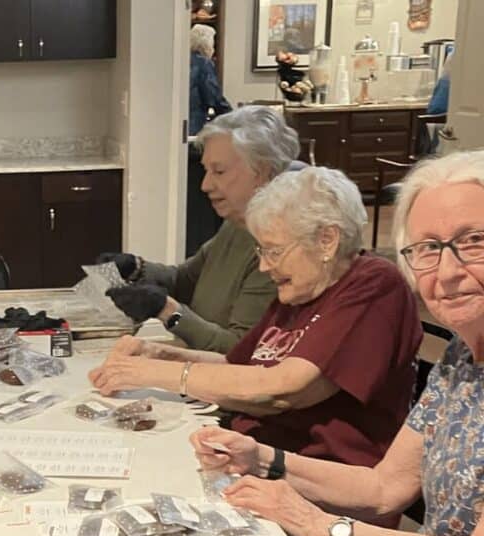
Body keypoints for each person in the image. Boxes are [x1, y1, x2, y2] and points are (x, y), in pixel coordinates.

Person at [190, 149, 484, 536]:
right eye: (427, 249)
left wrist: (325, 527)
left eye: (473, 242)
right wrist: (263, 458)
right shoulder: (465, 360)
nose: (448, 270)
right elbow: (384, 487)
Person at [90, 167, 423, 473]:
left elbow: (280, 391)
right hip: (251, 460)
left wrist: (154, 373)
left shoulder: (374, 285)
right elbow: (240, 368)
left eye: (273, 251)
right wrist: (161, 355)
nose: (264, 267)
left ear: (327, 240)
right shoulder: (302, 290)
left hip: (314, 486)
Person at [97, 105, 299, 352]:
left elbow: (239, 351)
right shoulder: (237, 225)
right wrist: (135, 268)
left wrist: (167, 311)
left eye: (219, 171)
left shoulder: (280, 250)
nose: (205, 185)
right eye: (206, 171)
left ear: (263, 171)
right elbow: (186, 279)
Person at [189, 24, 232, 136]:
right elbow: (213, 95)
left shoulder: (184, 60)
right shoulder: (203, 63)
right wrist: (232, 116)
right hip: (194, 121)